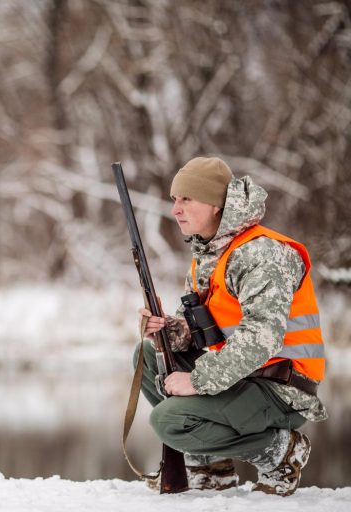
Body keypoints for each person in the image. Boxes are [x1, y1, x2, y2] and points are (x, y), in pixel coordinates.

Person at [135, 156, 327, 496]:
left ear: (214, 204)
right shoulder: (208, 256)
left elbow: (260, 338)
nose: (175, 209)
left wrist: (197, 380)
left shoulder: (261, 254)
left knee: (168, 421)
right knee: (147, 354)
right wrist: (168, 331)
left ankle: (280, 451)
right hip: (245, 379)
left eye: (186, 199)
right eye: (174, 199)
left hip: (282, 387)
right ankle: (211, 469)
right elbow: (208, 332)